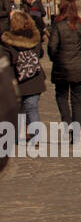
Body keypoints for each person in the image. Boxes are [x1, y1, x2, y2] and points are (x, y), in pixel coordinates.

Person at [48, 0, 81, 125]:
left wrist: (55, 59)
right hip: (80, 67)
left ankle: (66, 122)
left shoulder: (58, 26)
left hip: (62, 67)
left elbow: (52, 47)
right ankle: (76, 132)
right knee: (77, 101)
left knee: (61, 96)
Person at [2, 10, 46, 141]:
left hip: (19, 79)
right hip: (35, 77)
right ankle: (35, 137)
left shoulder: (9, 40)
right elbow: (40, 54)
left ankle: (18, 135)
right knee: (32, 108)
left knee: (20, 109)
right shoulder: (34, 37)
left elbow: (8, 61)